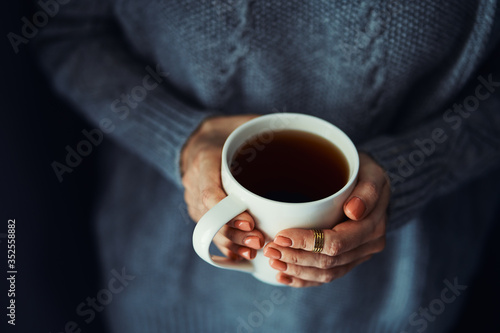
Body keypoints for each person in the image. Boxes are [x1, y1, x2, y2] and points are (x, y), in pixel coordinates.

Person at [35, 1, 500, 332]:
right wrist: (181, 137)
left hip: (398, 299)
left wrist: (413, 169)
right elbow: (66, 33)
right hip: (161, 285)